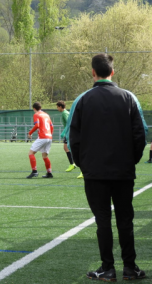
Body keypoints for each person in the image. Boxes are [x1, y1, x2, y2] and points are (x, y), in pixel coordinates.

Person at [67, 54, 147, 281]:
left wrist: (85, 165)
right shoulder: (128, 98)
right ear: (113, 71)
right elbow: (140, 134)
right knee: (125, 220)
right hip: (123, 171)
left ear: (93, 72)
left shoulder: (82, 100)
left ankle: (107, 268)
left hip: (95, 172)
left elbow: (74, 139)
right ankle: (130, 268)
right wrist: (131, 160)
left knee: (102, 221)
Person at [26, 102, 54, 179]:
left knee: (31, 153)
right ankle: (49, 173)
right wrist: (49, 135)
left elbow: (37, 125)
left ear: (34, 108)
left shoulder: (36, 114)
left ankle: (34, 171)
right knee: (44, 156)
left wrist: (30, 133)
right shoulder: (46, 115)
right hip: (49, 137)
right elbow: (52, 126)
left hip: (43, 137)